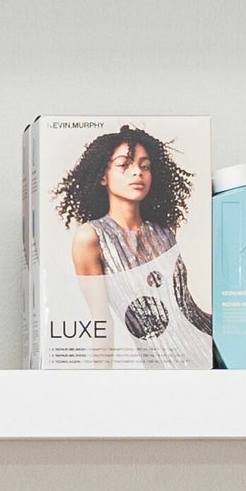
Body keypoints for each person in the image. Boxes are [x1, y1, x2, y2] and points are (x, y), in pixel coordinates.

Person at [57, 125, 209, 366]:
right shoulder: (90, 238)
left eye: (144, 166)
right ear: (103, 176)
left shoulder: (165, 231)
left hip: (208, 348)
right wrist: (100, 387)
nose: (137, 172)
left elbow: (185, 308)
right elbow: (101, 323)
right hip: (162, 366)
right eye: (124, 165)